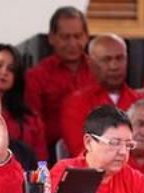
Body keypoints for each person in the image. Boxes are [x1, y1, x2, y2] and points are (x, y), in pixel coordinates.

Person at [60, 33, 144, 157]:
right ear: (90, 63)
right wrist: (138, 149)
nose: (114, 66)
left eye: (119, 58)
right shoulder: (76, 103)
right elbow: (82, 149)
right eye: (106, 60)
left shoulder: (143, 100)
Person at [25, 6, 94, 156]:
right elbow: (33, 128)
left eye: (77, 36)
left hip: (99, 148)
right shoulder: (36, 76)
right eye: (65, 37)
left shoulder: (99, 71)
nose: (72, 43)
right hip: (53, 153)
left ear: (86, 36)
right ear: (52, 38)